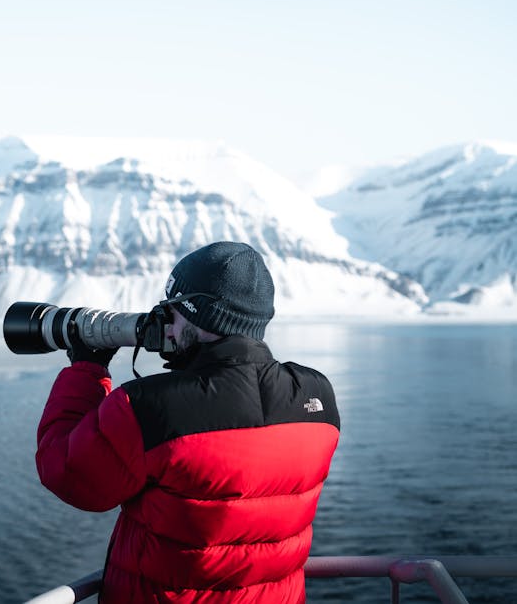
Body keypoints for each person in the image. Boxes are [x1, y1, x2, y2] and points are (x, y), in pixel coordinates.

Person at [36, 241, 340, 603]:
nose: (168, 324)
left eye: (174, 310)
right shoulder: (317, 397)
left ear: (198, 313)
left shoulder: (149, 407)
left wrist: (87, 368)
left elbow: (67, 472)